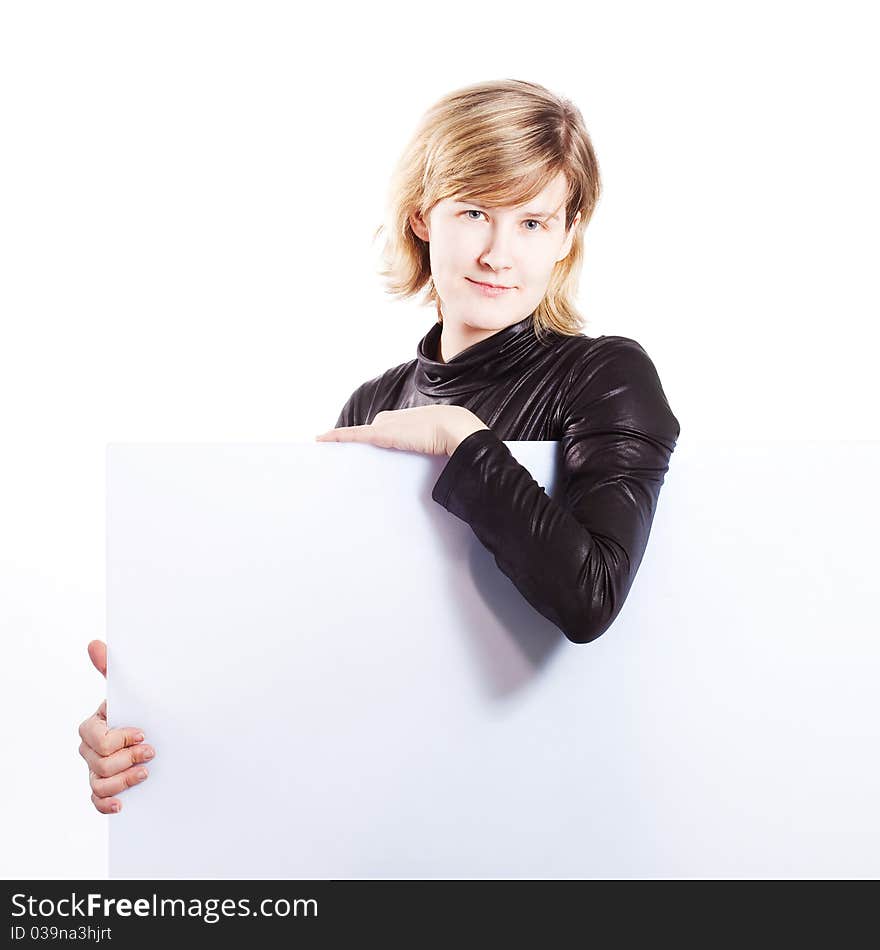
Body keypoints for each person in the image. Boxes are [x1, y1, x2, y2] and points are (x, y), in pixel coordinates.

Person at [80, 78, 680, 815]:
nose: (498, 252)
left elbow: (590, 598)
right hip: (393, 809)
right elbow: (323, 640)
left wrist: (463, 438)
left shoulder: (607, 377)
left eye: (533, 222)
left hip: (556, 812)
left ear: (566, 235)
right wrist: (151, 716)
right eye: (475, 213)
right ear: (424, 216)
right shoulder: (375, 405)